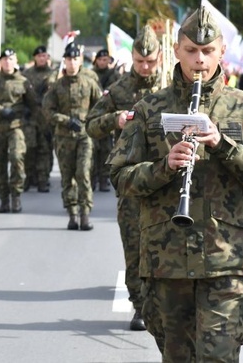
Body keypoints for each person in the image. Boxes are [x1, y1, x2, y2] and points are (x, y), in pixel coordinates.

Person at [109, 7, 243, 362]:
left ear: (220, 52)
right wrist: (164, 168)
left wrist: (222, 145)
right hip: (166, 260)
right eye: (191, 51)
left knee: (218, 357)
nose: (199, 60)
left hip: (227, 260)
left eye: (207, 51)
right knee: (177, 357)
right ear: (177, 48)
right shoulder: (149, 108)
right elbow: (121, 177)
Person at [86, 26, 162, 332]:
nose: (145, 67)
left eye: (150, 61)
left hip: (165, 178)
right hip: (131, 180)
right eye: (140, 60)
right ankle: (140, 306)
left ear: (159, 58)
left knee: (165, 248)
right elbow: (91, 124)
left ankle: (164, 305)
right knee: (134, 246)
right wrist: (114, 119)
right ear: (132, 57)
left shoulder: (171, 90)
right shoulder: (117, 90)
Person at [43, 43, 102, 231]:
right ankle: (72, 214)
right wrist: (66, 120)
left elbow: (100, 106)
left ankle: (85, 214)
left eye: (75, 59)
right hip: (63, 137)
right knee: (67, 177)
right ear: (65, 61)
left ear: (80, 60)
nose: (72, 62)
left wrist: (91, 124)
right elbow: (47, 110)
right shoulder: (57, 86)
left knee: (83, 173)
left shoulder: (89, 82)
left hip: (84, 136)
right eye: (69, 59)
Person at [0, 48, 37, 213]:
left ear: (15, 61)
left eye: (10, 59)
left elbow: (34, 105)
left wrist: (33, 123)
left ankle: (16, 195)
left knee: (17, 157)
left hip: (16, 127)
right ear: (0, 62)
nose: (7, 62)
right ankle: (4, 199)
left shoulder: (23, 81)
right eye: (4, 59)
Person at [21, 45, 56, 193]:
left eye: (44, 56)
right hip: (31, 117)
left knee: (45, 149)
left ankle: (43, 179)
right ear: (35, 57)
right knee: (29, 148)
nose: (42, 58)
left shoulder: (54, 74)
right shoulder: (26, 74)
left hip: (46, 118)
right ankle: (29, 177)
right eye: (39, 56)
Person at [90, 48, 121, 192]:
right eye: (100, 59)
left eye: (105, 60)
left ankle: (103, 179)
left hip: (109, 118)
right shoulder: (90, 74)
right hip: (95, 116)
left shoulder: (114, 76)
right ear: (96, 60)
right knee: (93, 151)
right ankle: (92, 178)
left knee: (106, 150)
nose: (103, 62)